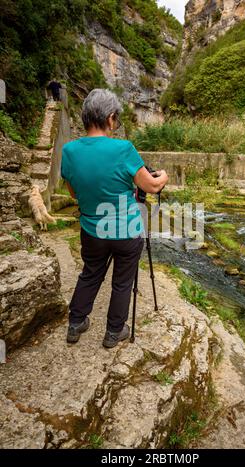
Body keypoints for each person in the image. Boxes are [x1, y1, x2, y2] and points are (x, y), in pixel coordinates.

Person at [61, 88, 168, 348]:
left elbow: (74, 192)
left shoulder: (69, 151)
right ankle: (113, 333)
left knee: (90, 273)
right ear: (110, 118)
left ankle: (76, 324)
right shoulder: (124, 148)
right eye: (116, 119)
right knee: (122, 282)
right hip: (126, 231)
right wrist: (162, 175)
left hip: (92, 229)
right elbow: (151, 187)